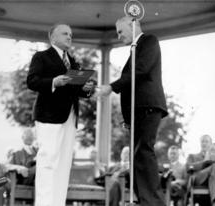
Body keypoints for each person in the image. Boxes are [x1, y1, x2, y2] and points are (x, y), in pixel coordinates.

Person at [96, 16, 168, 206]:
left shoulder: (149, 41)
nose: (118, 36)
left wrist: (111, 87)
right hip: (138, 111)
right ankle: (145, 200)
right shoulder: (134, 50)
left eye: (120, 31)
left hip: (148, 107)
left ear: (133, 24)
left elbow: (141, 71)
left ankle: (153, 202)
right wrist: (128, 118)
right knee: (137, 157)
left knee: (143, 153)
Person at [27, 23, 95, 206]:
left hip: (70, 117)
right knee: (48, 162)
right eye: (65, 33)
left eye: (71, 34)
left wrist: (87, 89)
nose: (69, 37)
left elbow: (77, 91)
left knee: (63, 166)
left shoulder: (73, 62)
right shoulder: (41, 57)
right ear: (52, 37)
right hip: (49, 116)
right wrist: (54, 82)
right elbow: (32, 81)